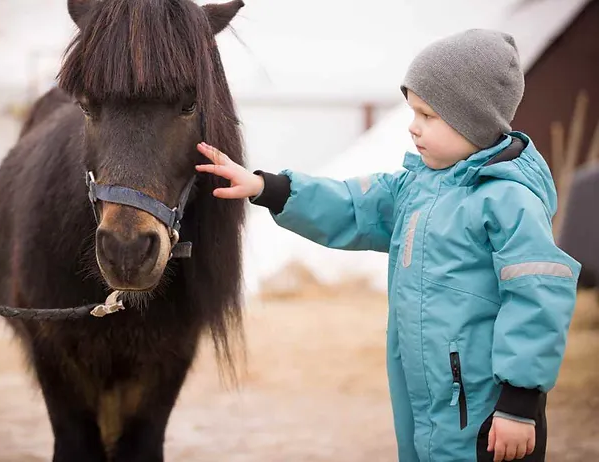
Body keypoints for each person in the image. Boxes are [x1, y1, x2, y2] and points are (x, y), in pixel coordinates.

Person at [195, 29, 581, 462]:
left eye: (428, 115)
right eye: (412, 111)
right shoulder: (415, 187)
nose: (412, 126)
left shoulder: (507, 199)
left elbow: (538, 296)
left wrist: (520, 403)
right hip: (426, 405)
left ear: (474, 119)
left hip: (486, 416)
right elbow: (351, 205)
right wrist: (267, 187)